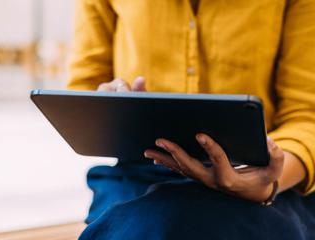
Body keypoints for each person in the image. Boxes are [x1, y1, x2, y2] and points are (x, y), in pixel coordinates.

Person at [68, 0, 315, 239]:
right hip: (141, 173)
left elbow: (306, 114)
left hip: (263, 179)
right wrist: (117, 105)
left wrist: (267, 185)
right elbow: (84, 90)